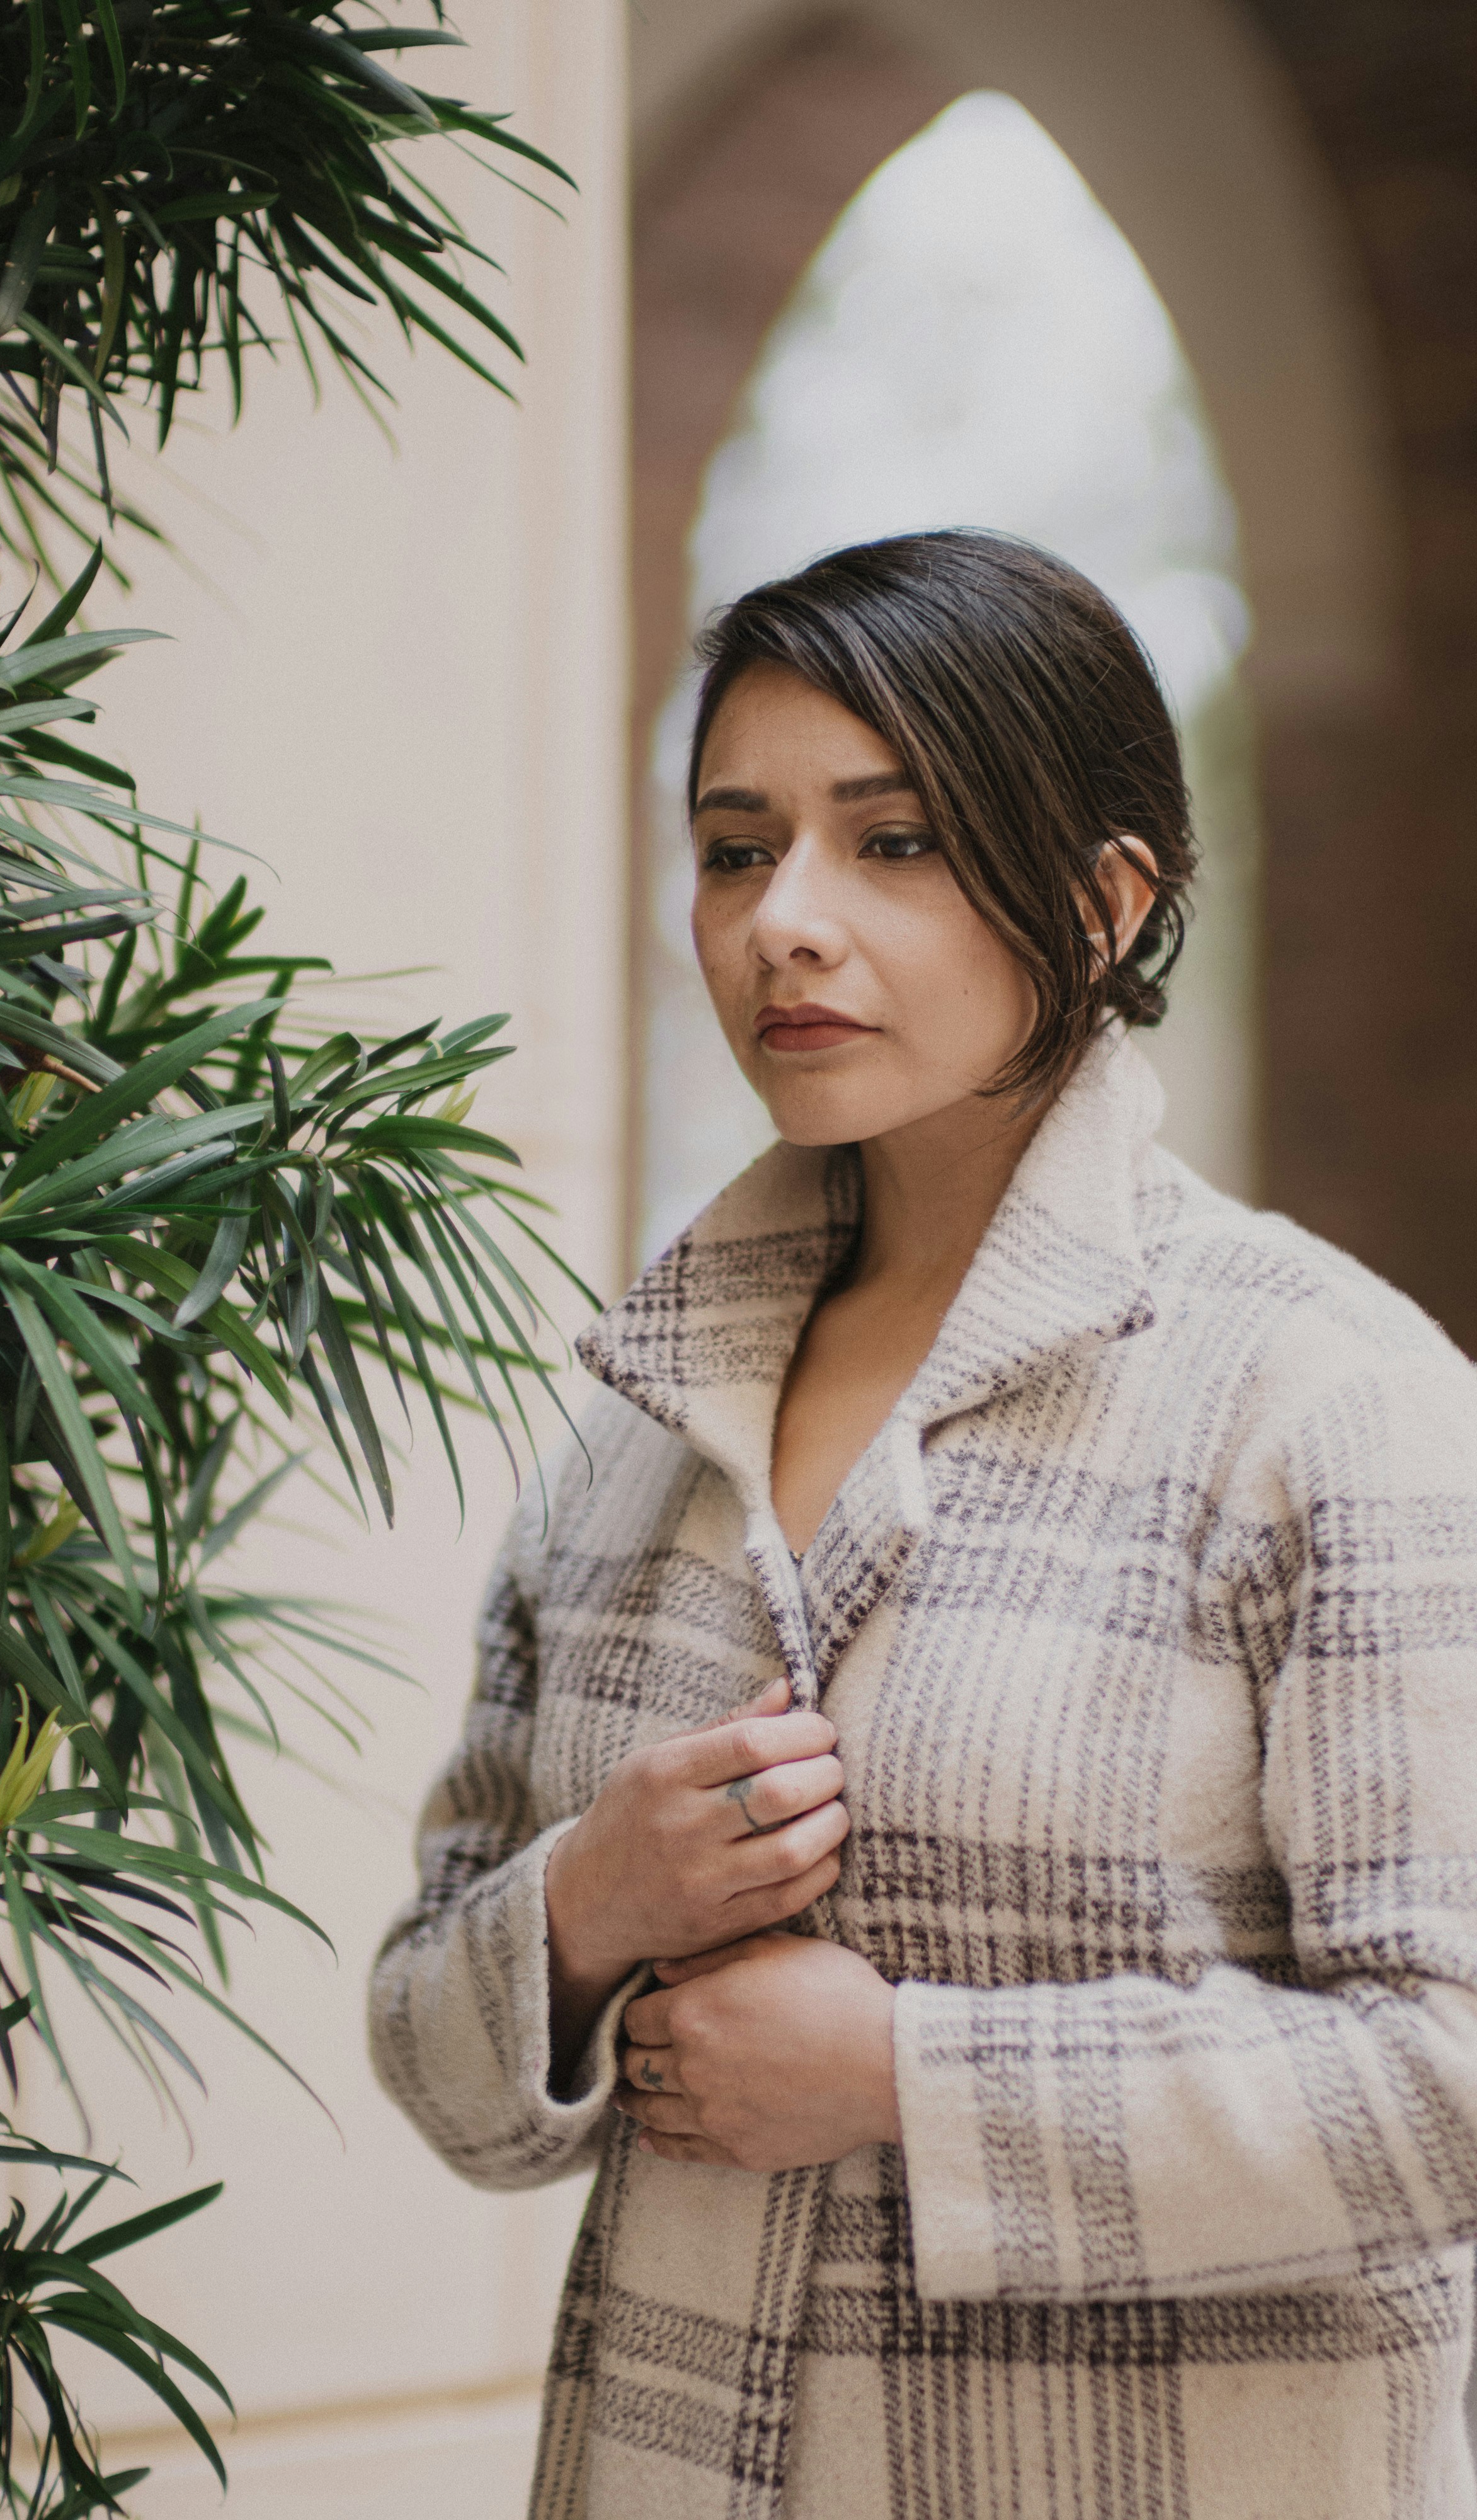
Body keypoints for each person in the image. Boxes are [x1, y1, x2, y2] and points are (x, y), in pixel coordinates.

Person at [369, 532, 1477, 2520]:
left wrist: (910, 2080)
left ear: (1100, 897)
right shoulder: (639, 1421)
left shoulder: (1321, 1399)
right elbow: (441, 2063)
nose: (782, 921)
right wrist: (588, 1910)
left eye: (890, 843)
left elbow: (1452, 2085)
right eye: (733, 848)